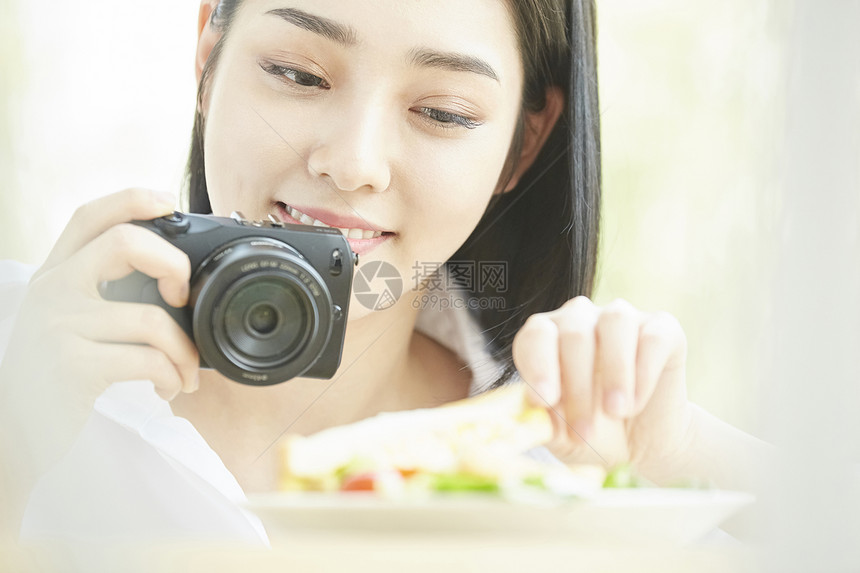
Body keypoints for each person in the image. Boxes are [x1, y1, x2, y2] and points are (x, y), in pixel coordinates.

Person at [0, 0, 768, 544]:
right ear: (208, 58)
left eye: (442, 113)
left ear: (523, 147)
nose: (352, 163)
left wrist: (683, 452)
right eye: (298, 74)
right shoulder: (21, 349)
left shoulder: (565, 459)